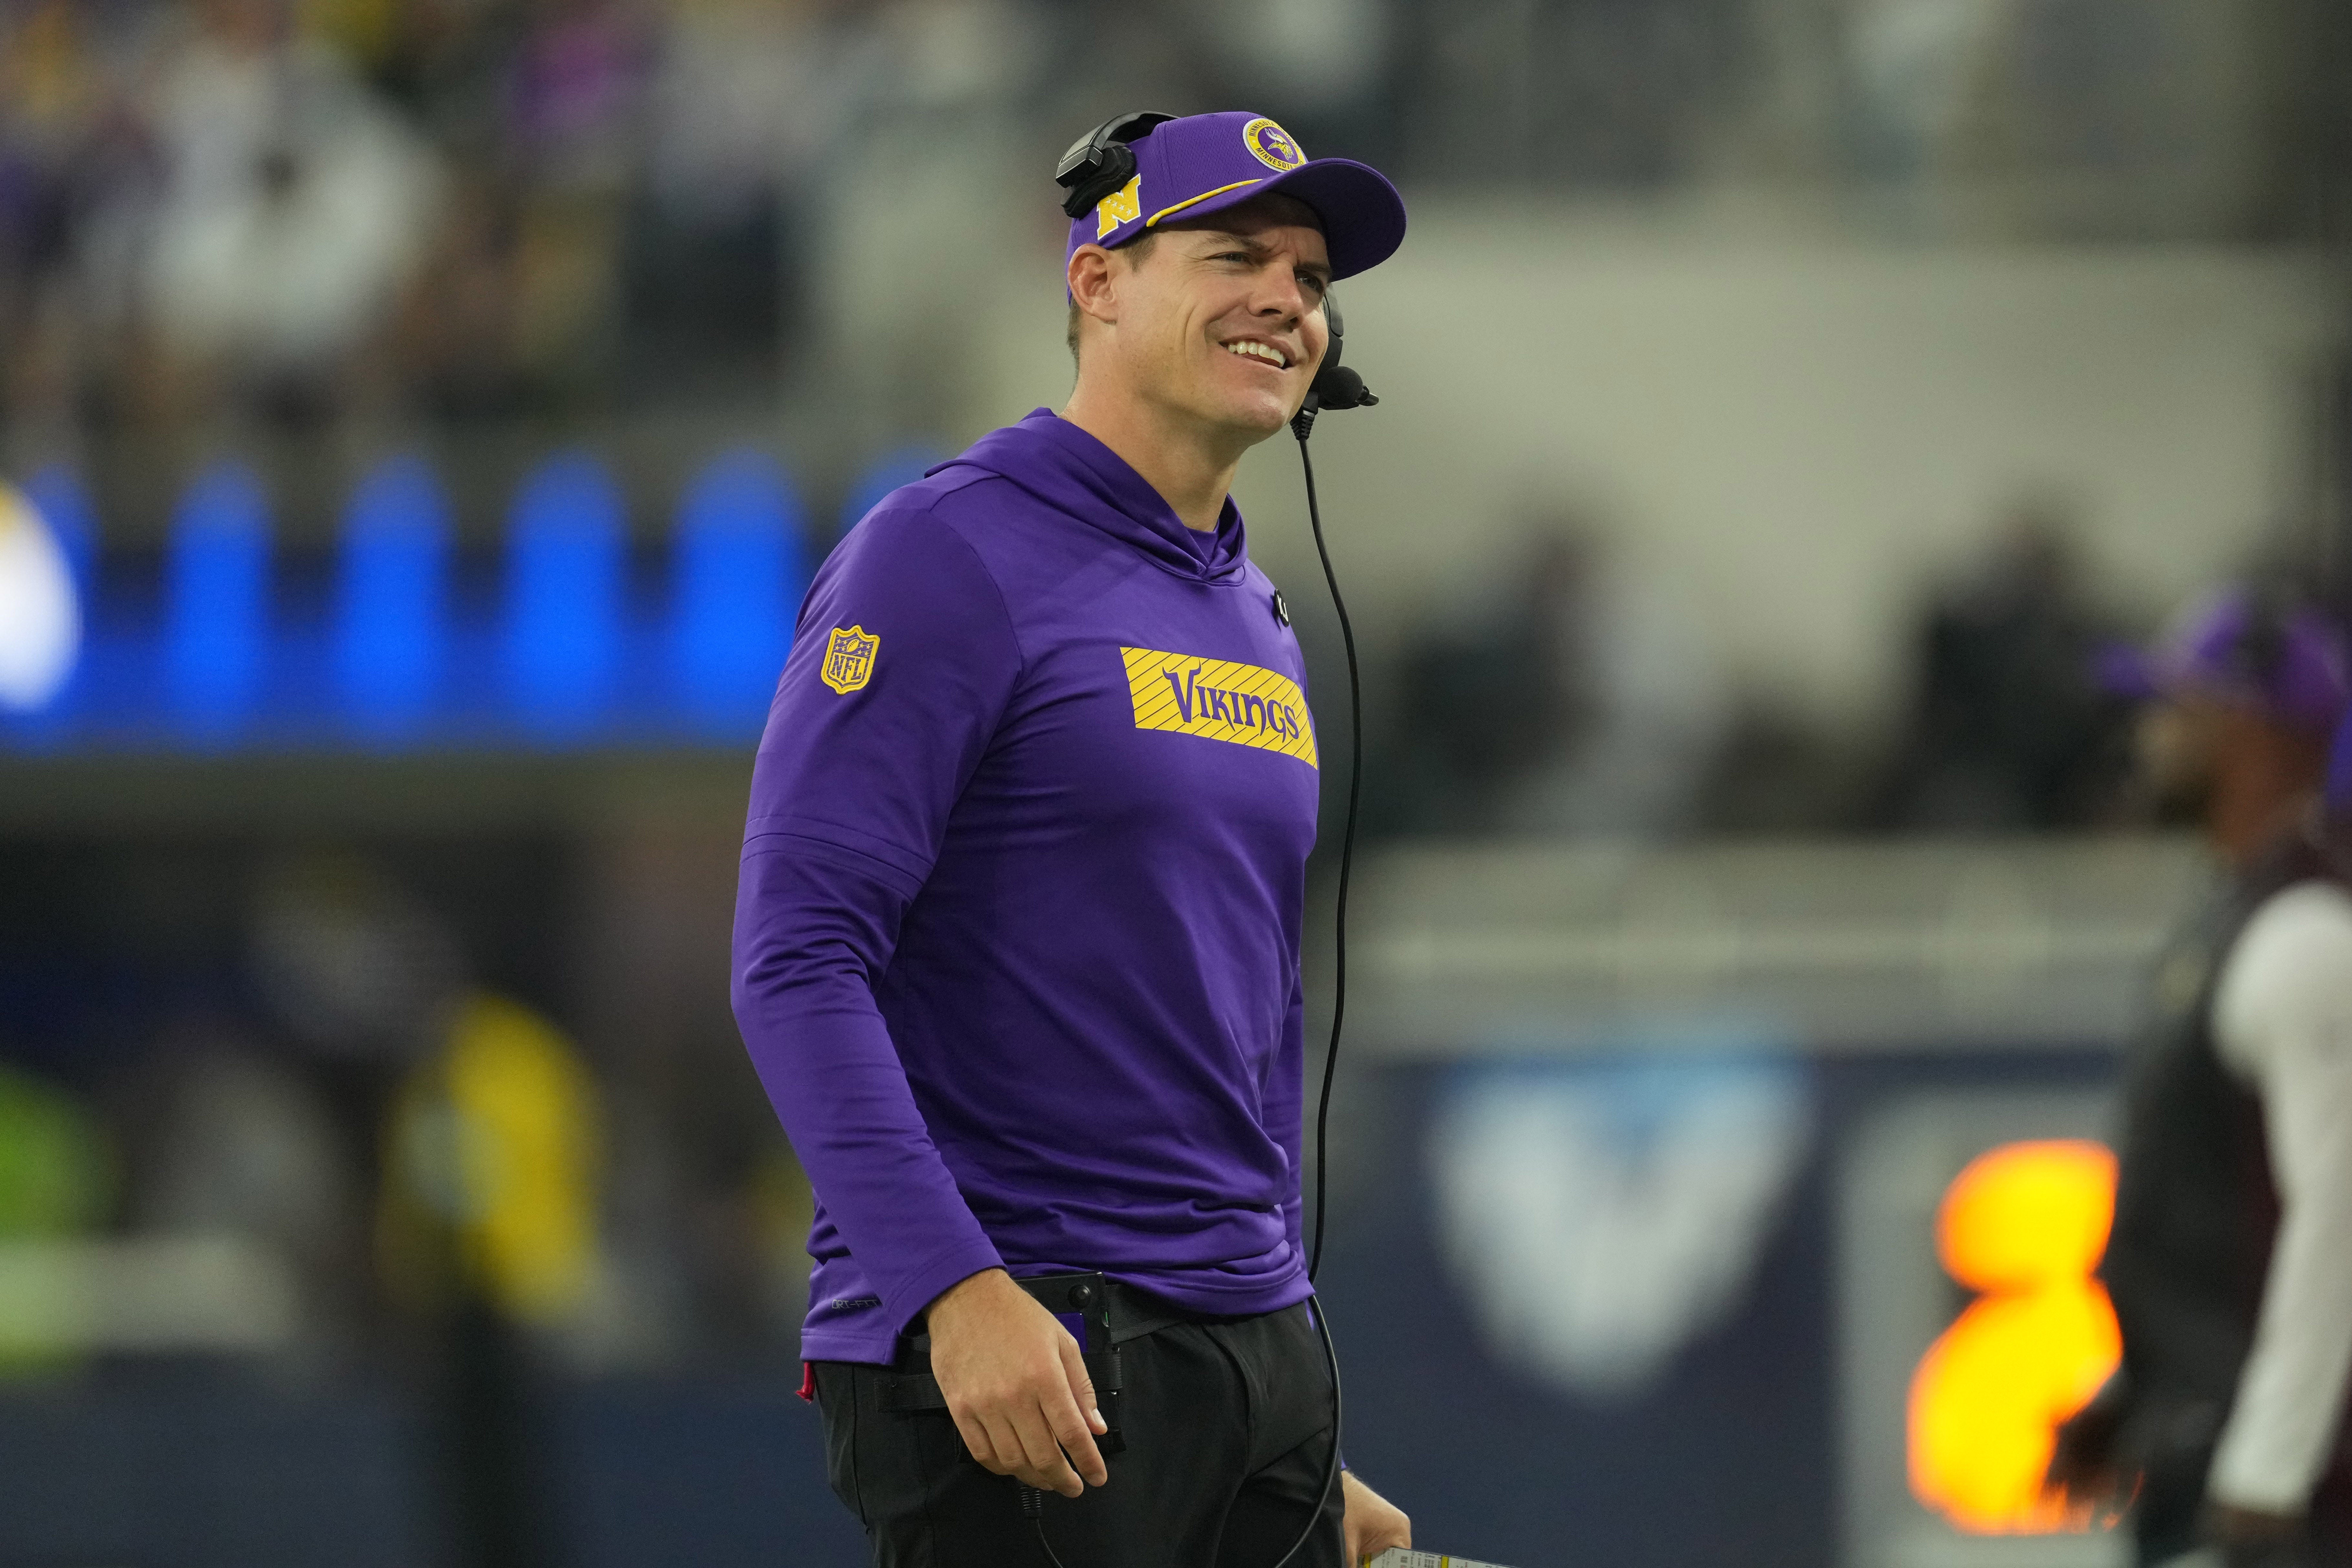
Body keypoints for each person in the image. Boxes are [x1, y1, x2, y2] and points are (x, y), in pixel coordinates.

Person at [730, 111, 1413, 1566]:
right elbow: (796, 957)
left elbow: (1249, 1012)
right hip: (1030, 1337)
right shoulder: (943, 553)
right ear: (1097, 280)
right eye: (1237, 253)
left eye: (1310, 276)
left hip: (1247, 1349)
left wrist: (1283, 1413)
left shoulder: (1259, 617)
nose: (1289, 300)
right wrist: (951, 1289)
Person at [2049, 585, 2352, 1567]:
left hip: (2276, 1496)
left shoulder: (2303, 938)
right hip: (2202, 1461)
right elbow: (2200, 1219)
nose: (2149, 737)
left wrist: (2267, 1479)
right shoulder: (2229, 921)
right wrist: (2130, 1395)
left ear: (2251, 732)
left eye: (2175, 709)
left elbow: (2338, 1222)